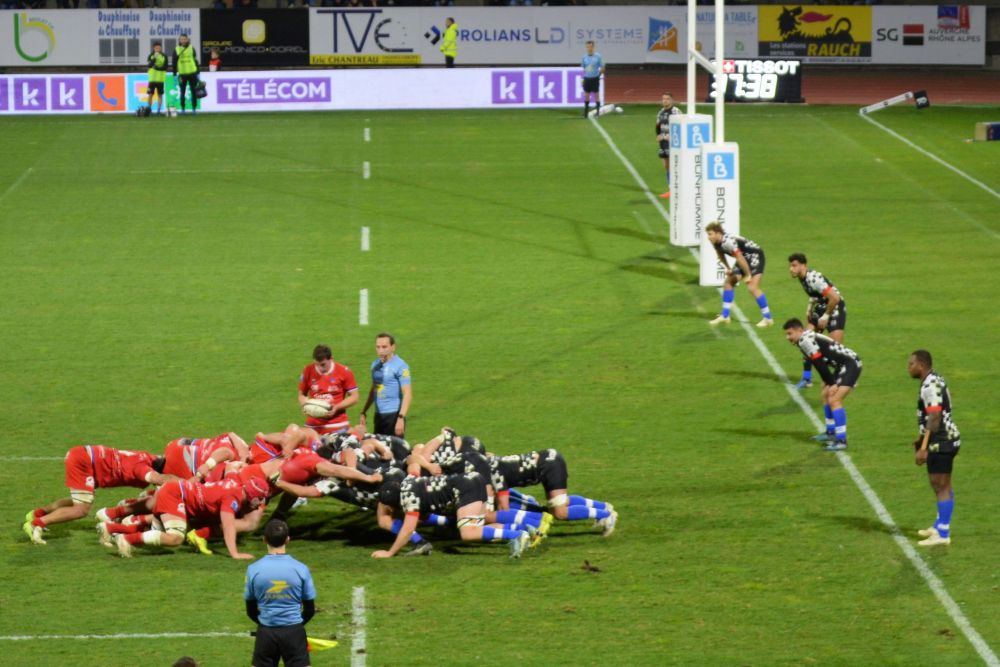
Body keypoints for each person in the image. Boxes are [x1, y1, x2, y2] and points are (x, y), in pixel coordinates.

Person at [22, 445, 173, 545]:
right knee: (81, 509)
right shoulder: (142, 468)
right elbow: (159, 479)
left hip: (85, 456)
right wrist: (185, 482)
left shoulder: (149, 458)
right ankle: (36, 524)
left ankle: (36, 514)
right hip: (85, 463)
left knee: (78, 500)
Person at [782, 319, 862, 451]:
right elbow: (820, 363)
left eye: (790, 333)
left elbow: (819, 364)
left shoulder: (805, 341)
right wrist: (830, 383)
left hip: (849, 364)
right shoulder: (804, 339)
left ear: (800, 331)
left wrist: (833, 384)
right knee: (825, 394)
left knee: (834, 399)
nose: (787, 337)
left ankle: (842, 440)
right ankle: (830, 432)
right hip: (841, 365)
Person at [245, 519, 316, 667]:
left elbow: (251, 610)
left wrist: (267, 622)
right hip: (294, 632)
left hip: (266, 633)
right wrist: (294, 625)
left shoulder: (253, 569)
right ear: (288, 539)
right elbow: (310, 609)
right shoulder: (301, 569)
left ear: (264, 539)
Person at [908, 350, 961, 546]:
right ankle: (939, 525)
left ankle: (943, 534)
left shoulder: (930, 385)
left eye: (911, 364)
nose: (909, 368)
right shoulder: (933, 379)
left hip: (943, 442)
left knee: (941, 486)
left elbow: (935, 417)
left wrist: (923, 447)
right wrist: (921, 438)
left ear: (921, 365)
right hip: (943, 440)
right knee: (940, 485)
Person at [788, 253, 847, 391]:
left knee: (835, 349)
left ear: (803, 265)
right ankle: (807, 379)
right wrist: (809, 309)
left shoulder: (814, 279)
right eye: (790, 266)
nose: (791, 269)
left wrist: (826, 316)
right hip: (821, 306)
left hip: (835, 307)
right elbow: (814, 295)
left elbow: (835, 298)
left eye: (794, 265)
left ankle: (842, 378)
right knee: (805, 339)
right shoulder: (802, 277)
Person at [705, 222, 773, 328]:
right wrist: (728, 268)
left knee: (752, 287)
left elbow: (740, 258)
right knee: (728, 283)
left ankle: (768, 318)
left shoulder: (727, 242)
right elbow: (720, 254)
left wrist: (748, 275)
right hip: (744, 257)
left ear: (718, 233)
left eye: (710, 234)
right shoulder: (716, 242)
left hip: (755, 255)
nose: (708, 237)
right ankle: (725, 315)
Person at [298, 344, 359, 435]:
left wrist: (336, 407)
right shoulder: (308, 370)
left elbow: (355, 397)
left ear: (331, 359)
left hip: (337, 424)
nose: (320, 368)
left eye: (323, 364)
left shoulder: (344, 372)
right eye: (317, 364)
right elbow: (302, 394)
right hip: (313, 425)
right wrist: (305, 406)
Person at [360, 332, 411, 438]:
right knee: (378, 450)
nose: (381, 351)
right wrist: (364, 411)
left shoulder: (401, 366)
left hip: (393, 416)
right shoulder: (375, 365)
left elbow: (407, 394)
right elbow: (374, 389)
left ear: (393, 347)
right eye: (378, 347)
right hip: (378, 416)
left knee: (396, 452)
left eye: (384, 347)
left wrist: (401, 418)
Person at [655, 92, 680, 199]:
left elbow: (680, 126)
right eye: (663, 99)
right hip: (663, 142)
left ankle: (674, 189)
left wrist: (672, 136)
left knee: (673, 165)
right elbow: (657, 126)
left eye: (667, 99)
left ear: (672, 100)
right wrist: (658, 135)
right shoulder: (660, 112)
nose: (665, 101)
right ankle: (671, 188)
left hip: (673, 143)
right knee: (666, 165)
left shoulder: (676, 112)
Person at [174, 34, 200, 114]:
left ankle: (194, 109)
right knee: (182, 92)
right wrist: (174, 73)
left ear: (187, 40)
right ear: (179, 40)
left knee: (194, 91)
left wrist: (198, 72)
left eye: (184, 39)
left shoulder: (192, 48)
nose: (183, 41)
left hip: (192, 73)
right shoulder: (177, 49)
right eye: (181, 39)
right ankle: (183, 109)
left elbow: (195, 60)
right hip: (182, 74)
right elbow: (174, 62)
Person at [580, 41, 604, 119]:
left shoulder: (598, 56)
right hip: (587, 79)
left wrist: (598, 75)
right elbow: (583, 68)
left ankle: (598, 112)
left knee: (596, 95)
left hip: (595, 78)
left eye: (590, 47)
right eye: (587, 47)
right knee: (586, 96)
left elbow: (603, 67)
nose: (589, 48)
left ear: (593, 47)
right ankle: (586, 113)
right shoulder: (584, 57)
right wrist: (584, 77)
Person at [146, 42, 167, 115]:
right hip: (152, 79)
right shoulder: (151, 56)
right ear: (153, 48)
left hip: (160, 79)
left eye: (159, 47)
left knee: (160, 95)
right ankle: (149, 109)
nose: (158, 49)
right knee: (150, 94)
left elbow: (165, 67)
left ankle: (158, 110)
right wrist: (155, 58)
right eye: (156, 48)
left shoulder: (164, 56)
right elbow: (149, 65)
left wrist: (156, 67)